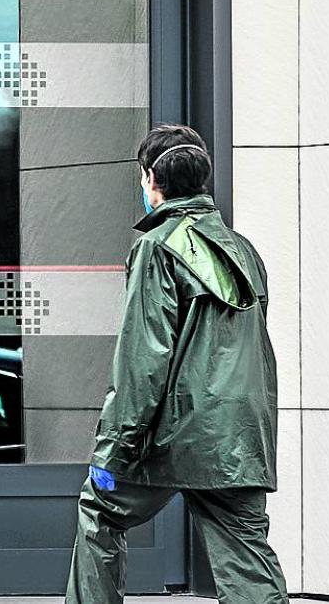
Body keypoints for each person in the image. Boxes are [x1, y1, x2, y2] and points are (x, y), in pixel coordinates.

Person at [66, 124, 288, 604]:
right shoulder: (243, 250)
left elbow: (143, 360)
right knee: (247, 558)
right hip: (239, 436)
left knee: (100, 509)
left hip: (175, 435)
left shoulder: (156, 247)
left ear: (151, 179)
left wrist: (113, 450)